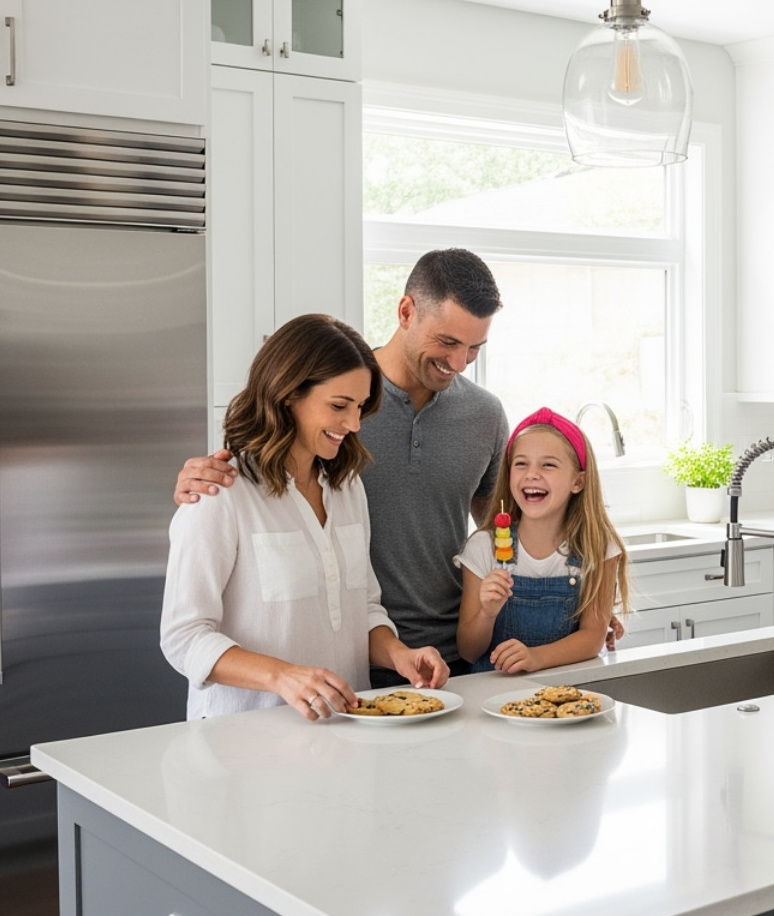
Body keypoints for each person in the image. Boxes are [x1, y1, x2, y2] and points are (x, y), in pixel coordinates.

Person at [174, 249, 620, 687]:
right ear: (406, 311)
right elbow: (254, 478)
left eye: (474, 348)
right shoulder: (332, 409)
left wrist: (585, 606)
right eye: (447, 342)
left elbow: (512, 531)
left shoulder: (479, 417)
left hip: (454, 655)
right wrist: (196, 484)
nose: (459, 362)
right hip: (354, 666)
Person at [160, 314, 449, 720]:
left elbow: (362, 607)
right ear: (288, 394)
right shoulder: (220, 492)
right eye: (338, 406)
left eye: (360, 407)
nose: (352, 424)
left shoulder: (347, 488)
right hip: (240, 747)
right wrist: (282, 677)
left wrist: (400, 654)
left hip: (344, 731)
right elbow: (183, 636)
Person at [455, 408, 630, 674]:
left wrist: (535, 658)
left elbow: (592, 638)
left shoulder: (597, 547)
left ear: (578, 481)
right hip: (492, 696)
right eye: (521, 463)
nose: (532, 474)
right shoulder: (482, 548)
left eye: (548, 465)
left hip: (567, 696)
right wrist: (487, 613)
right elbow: (468, 650)